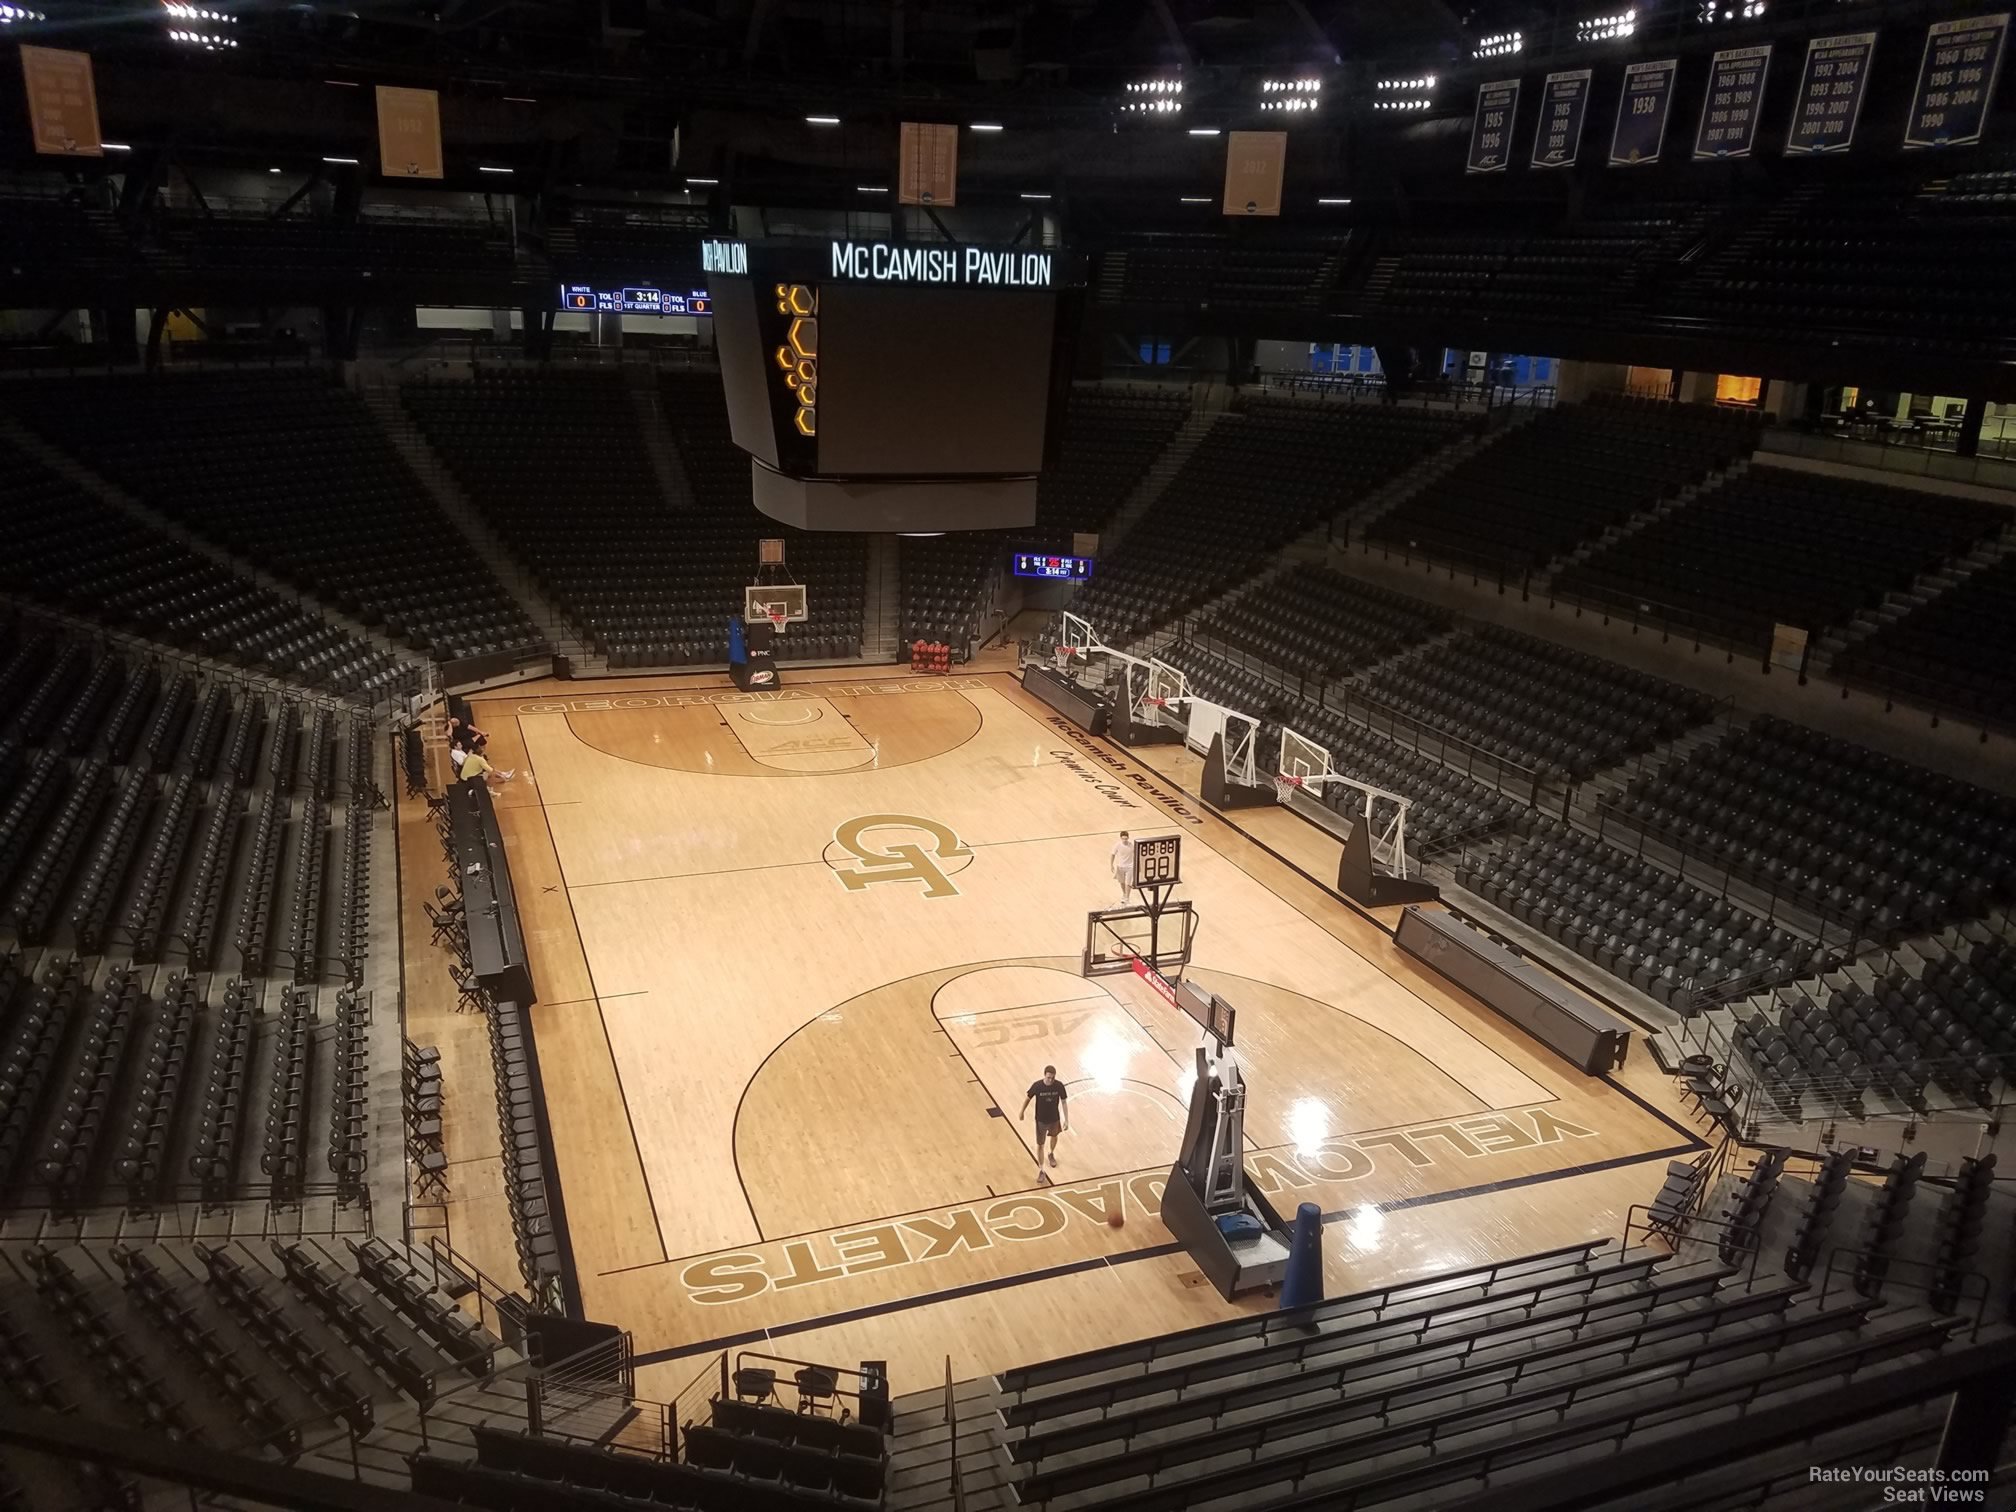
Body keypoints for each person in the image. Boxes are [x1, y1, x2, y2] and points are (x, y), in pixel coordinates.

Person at [1020, 1066, 1069, 1183]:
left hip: (1054, 1119)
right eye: (1048, 1078)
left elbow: (1063, 1102)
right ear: (1044, 1075)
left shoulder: (1059, 1086)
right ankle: (1041, 1170)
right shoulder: (1037, 1086)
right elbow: (1028, 1098)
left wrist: (1066, 1119)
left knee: (1054, 1137)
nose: (1051, 1080)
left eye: (1053, 1078)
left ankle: (1051, 1153)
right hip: (1041, 1120)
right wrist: (1022, 1111)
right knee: (1040, 1144)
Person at [1110, 830, 1135, 904]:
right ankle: (1124, 894)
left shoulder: (1131, 845)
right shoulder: (1117, 845)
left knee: (1128, 883)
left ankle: (1127, 897)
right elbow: (1112, 855)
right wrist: (1111, 865)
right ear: (1120, 838)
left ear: (1128, 838)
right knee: (1122, 882)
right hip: (1120, 866)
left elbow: (1136, 855)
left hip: (1130, 866)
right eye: (1123, 839)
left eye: (1126, 839)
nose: (1125, 840)